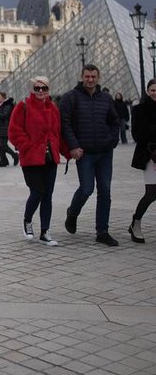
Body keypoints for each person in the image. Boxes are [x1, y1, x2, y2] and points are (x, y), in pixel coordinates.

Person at [60, 64, 120, 246]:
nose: (90, 79)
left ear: (98, 77)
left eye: (93, 76)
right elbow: (65, 124)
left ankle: (102, 231)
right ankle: (72, 213)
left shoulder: (106, 98)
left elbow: (115, 121)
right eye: (87, 76)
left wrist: (112, 140)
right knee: (86, 189)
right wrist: (73, 146)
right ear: (82, 76)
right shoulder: (71, 97)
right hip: (84, 152)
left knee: (105, 192)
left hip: (104, 152)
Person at [8, 77, 63, 246]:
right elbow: (14, 131)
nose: (40, 91)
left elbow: (57, 132)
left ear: (48, 89)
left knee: (48, 195)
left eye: (44, 88)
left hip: (50, 158)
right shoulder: (23, 106)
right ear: (32, 89)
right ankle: (27, 221)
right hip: (31, 158)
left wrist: (67, 151)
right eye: (37, 88)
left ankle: (45, 232)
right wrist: (27, 146)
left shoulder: (53, 108)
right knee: (37, 192)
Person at [129, 79, 156, 243]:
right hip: (150, 155)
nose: (155, 93)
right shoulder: (139, 110)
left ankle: (135, 223)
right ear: (147, 91)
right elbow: (137, 135)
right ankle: (136, 222)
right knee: (151, 193)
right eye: (152, 90)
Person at [0, 92, 19, 167]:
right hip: (0, 127)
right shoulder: (1, 104)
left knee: (3, 145)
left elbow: (5, 115)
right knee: (0, 145)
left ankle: (15, 155)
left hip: (5, 127)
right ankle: (3, 160)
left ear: (4, 97)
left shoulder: (7, 105)